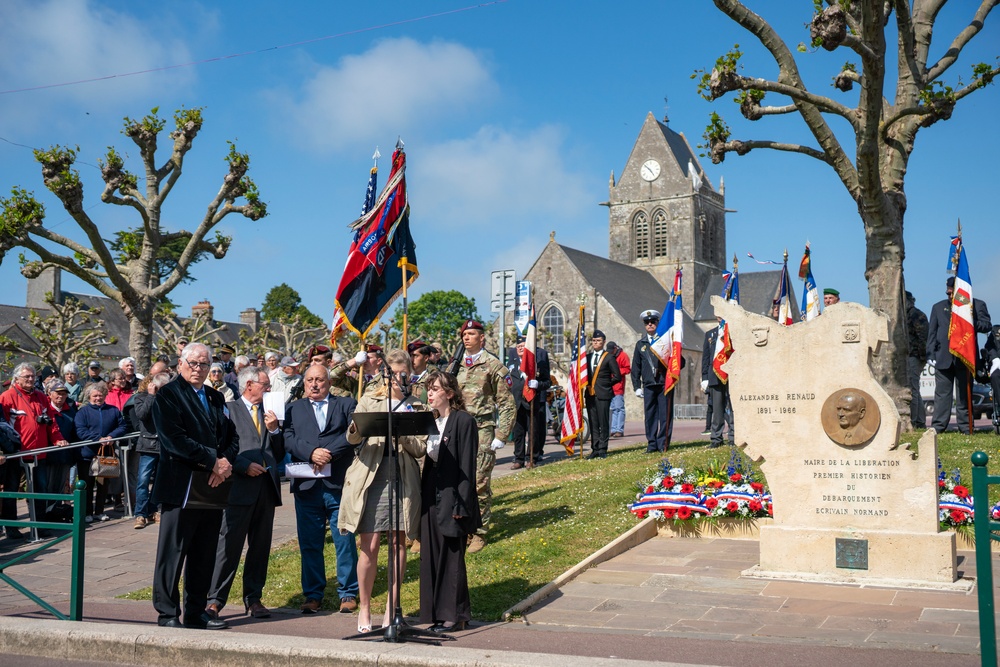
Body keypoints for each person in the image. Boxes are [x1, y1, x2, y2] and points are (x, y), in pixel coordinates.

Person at [150, 342, 237, 630]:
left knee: (204, 553)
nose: (199, 369)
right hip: (181, 485)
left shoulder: (215, 397)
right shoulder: (168, 396)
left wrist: (224, 463)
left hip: (212, 485)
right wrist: (213, 461)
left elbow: (231, 435)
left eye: (204, 364)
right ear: (181, 364)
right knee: (172, 552)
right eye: (193, 363)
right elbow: (174, 440)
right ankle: (167, 612)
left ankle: (197, 612)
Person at [339, 349, 426, 632]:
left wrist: (403, 432)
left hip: (402, 475)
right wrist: (357, 425)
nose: (401, 378)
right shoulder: (369, 398)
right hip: (372, 475)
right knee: (370, 544)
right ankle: (364, 608)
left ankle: (392, 606)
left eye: (406, 374)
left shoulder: (416, 404)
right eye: (396, 374)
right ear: (387, 373)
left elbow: (421, 447)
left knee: (399, 542)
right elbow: (353, 436)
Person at [206, 366, 284, 621]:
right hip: (238, 489)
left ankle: (254, 598)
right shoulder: (229, 409)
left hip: (266, 490)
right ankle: (215, 600)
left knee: (260, 547)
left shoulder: (271, 412)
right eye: (265, 384)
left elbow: (280, 453)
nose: (268, 389)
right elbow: (222, 446)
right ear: (249, 384)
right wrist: (242, 466)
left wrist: (274, 430)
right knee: (228, 546)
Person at [282, 364, 359, 614]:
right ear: (304, 383)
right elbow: (288, 438)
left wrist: (328, 454)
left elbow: (353, 435)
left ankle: (348, 592)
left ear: (329, 382)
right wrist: (311, 453)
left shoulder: (346, 404)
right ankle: (313, 594)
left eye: (320, 380)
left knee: (344, 541)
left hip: (338, 483)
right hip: (307, 486)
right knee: (310, 543)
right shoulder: (293, 409)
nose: (314, 385)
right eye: (309, 380)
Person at [419, 370, 480, 633]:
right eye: (428, 388)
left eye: (435, 389)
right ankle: (435, 613)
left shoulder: (463, 421)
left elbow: (467, 466)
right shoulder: (431, 421)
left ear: (450, 393)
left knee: (452, 557)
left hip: (453, 498)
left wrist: (460, 505)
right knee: (432, 555)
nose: (430, 393)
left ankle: (456, 615)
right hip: (431, 495)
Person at [454, 319, 515, 553]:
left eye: (471, 333)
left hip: (482, 429)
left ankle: (478, 532)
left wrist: (502, 434)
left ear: (482, 337)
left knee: (479, 481)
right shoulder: (455, 365)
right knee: (458, 480)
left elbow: (507, 404)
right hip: (458, 430)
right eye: (464, 334)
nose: (466, 337)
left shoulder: (493, 366)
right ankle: (462, 525)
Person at [1, 363, 69, 534]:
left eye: (33, 376)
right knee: (12, 491)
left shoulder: (41, 396)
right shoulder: (7, 397)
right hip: (16, 454)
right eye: (27, 377)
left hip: (39, 453)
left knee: (40, 491)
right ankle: (11, 528)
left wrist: (58, 439)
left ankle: (40, 525)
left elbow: (51, 423)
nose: (31, 379)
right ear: (17, 378)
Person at [927, 276, 992, 433]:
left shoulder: (976, 305)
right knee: (942, 395)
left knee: (964, 393)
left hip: (965, 356)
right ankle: (938, 427)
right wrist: (930, 354)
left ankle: (965, 427)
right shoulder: (938, 307)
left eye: (952, 293)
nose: (950, 296)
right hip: (943, 357)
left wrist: (970, 321)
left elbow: (987, 325)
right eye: (948, 293)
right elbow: (932, 333)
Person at [74, 381, 127, 522]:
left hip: (106, 453)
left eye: (100, 395)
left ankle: (99, 511)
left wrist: (111, 436)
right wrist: (98, 439)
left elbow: (122, 426)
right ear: (89, 396)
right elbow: (80, 431)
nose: (98, 398)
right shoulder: (82, 412)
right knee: (87, 485)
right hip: (87, 454)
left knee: (103, 485)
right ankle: (86, 513)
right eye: (95, 396)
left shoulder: (113, 410)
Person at [131, 372, 170, 529]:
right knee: (143, 481)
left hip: (165, 445)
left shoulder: (169, 399)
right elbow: (142, 415)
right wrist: (151, 396)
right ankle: (140, 513)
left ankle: (154, 510)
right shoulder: (141, 397)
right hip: (148, 444)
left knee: (160, 481)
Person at [507, 335, 551, 469]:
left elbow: (547, 381)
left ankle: (531, 457)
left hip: (531, 401)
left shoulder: (535, 364)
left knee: (533, 431)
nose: (521, 348)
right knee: (518, 432)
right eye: (518, 346)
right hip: (516, 401)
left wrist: (538, 384)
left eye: (523, 346)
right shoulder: (512, 363)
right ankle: (518, 458)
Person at [631, 311, 672, 453]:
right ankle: (652, 443)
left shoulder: (665, 341)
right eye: (647, 322)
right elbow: (635, 367)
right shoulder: (640, 344)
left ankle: (663, 443)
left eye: (653, 322)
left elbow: (680, 362)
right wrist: (636, 386)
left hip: (663, 384)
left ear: (657, 323)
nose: (650, 324)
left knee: (664, 415)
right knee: (650, 416)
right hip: (648, 385)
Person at [585, 330, 621, 460]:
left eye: (598, 341)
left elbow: (617, 376)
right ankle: (594, 448)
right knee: (593, 422)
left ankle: (602, 448)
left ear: (603, 342)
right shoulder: (587, 357)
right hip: (590, 394)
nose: (596, 343)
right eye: (594, 341)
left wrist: (606, 384)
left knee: (603, 422)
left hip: (603, 394)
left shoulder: (609, 357)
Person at [701, 320, 734, 449]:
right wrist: (704, 377)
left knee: (732, 408)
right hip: (714, 374)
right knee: (717, 409)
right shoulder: (710, 334)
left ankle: (733, 436)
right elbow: (706, 358)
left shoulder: (732, 331)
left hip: (731, 373)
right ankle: (716, 438)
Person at [905, 291, 929, 429]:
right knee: (914, 389)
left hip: (915, 357)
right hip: (910, 356)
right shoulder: (905, 315)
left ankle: (915, 421)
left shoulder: (916, 315)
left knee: (913, 389)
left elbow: (923, 338)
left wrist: (921, 357)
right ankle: (918, 421)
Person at [606, 341, 630, 439]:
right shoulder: (608, 355)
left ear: (616, 348)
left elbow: (628, 369)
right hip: (609, 386)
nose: (610, 353)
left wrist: (616, 371)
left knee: (619, 408)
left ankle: (619, 430)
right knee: (612, 409)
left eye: (612, 351)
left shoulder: (623, 356)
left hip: (618, 386)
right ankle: (613, 429)